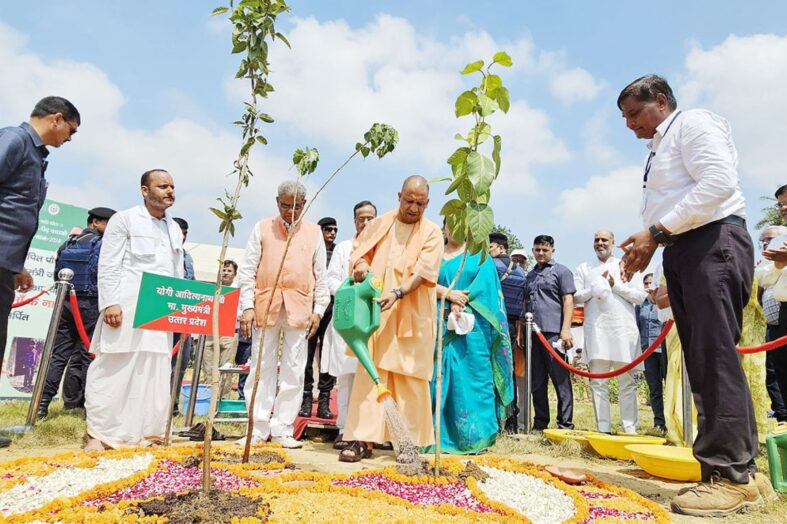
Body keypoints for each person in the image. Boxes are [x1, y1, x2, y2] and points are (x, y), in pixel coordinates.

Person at [617, 75, 765, 516]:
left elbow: (717, 182)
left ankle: (729, 477)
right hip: (685, 248)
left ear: (660, 102)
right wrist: (656, 243)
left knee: (713, 358)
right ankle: (742, 474)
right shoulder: (658, 148)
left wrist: (657, 232)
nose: (629, 125)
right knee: (707, 361)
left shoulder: (693, 124)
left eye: (634, 114)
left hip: (711, 242)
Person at [339, 175, 444, 462]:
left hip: (411, 312)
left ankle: (407, 445)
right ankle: (362, 440)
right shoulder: (379, 223)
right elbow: (359, 254)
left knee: (409, 378)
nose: (413, 207)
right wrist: (360, 266)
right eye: (409, 201)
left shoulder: (433, 232)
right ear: (399, 196)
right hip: (376, 312)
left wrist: (397, 293)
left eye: (420, 203)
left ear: (428, 203)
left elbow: (424, 274)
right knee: (371, 375)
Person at [0, 96, 80, 448]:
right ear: (57, 119)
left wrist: (17, 266)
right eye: (71, 130)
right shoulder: (14, 141)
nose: (70, 139)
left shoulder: (36, 155)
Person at [84, 169, 183, 450]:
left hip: (159, 310)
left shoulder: (173, 228)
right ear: (144, 190)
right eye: (162, 186)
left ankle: (148, 433)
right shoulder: (124, 219)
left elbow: (175, 273)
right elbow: (109, 263)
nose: (169, 191)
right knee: (115, 367)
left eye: (172, 186)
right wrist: (110, 303)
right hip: (125, 307)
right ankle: (100, 434)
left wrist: (177, 308)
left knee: (154, 369)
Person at [237, 180, 329, 449]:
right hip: (265, 307)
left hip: (300, 310)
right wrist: (247, 306)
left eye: (297, 207)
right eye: (286, 206)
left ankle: (283, 429)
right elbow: (247, 270)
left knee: (294, 370)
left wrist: (319, 311)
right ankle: (256, 427)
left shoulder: (314, 233)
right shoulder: (262, 227)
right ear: (277, 202)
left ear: (305, 204)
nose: (291, 212)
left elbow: (320, 277)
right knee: (260, 368)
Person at [428, 222, 514, 454]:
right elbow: (421, 283)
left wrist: (463, 302)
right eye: (450, 225)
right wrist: (447, 294)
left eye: (460, 225)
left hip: (472, 330)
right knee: (436, 379)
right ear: (443, 227)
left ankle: (475, 438)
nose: (454, 231)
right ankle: (434, 436)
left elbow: (486, 290)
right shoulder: (432, 254)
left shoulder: (479, 256)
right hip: (436, 326)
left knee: (474, 379)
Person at [36, 206, 116, 419]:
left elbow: (56, 275)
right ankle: (88, 408)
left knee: (59, 355)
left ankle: (42, 404)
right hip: (90, 304)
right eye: (108, 224)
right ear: (96, 222)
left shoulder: (69, 242)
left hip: (66, 303)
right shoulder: (101, 245)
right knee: (88, 356)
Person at [574, 230, 646, 435]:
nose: (599, 243)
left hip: (623, 331)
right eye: (596, 239)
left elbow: (640, 297)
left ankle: (630, 428)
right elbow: (576, 296)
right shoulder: (584, 268)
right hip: (596, 332)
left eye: (604, 239)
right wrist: (595, 289)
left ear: (613, 243)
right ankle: (603, 429)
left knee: (627, 383)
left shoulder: (627, 265)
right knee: (598, 382)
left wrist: (615, 286)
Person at [321, 201, 377, 449]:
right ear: (354, 220)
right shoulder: (344, 247)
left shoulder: (381, 247)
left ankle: (367, 432)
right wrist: (350, 290)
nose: (365, 223)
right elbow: (330, 279)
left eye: (370, 218)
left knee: (368, 377)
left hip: (372, 321)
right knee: (345, 376)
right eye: (361, 218)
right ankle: (344, 428)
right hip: (345, 318)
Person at [521, 234, 575, 430]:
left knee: (560, 380)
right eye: (537, 250)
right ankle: (540, 423)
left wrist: (565, 330)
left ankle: (565, 424)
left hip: (554, 334)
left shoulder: (562, 272)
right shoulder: (530, 275)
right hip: (533, 334)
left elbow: (568, 300)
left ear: (552, 250)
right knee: (537, 382)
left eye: (545, 250)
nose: (541, 253)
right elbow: (525, 302)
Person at [300, 216, 339, 420]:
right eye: (328, 229)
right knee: (306, 355)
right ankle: (306, 397)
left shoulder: (338, 252)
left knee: (328, 355)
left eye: (335, 230)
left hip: (332, 308)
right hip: (309, 307)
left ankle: (324, 400)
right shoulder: (310, 249)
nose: (332, 233)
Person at [489, 232, 527, 432]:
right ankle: (511, 419)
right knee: (508, 371)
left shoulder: (492, 266)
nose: (488, 251)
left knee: (489, 369)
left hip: (492, 323)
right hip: (512, 326)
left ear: (501, 248)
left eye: (491, 247)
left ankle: (494, 420)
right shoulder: (520, 272)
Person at [759, 185, 787, 434]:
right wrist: (779, 264)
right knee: (782, 373)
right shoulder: (781, 239)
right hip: (782, 314)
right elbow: (766, 278)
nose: (784, 208)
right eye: (780, 203)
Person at [202, 260, 239, 402]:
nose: (225, 273)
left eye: (229, 271)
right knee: (209, 369)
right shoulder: (212, 290)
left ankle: (222, 402)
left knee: (225, 370)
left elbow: (242, 313)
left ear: (234, 274)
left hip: (229, 334)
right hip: (210, 334)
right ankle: (207, 402)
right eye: (223, 270)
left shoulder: (238, 292)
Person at [636, 273, 667, 434]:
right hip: (647, 351)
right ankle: (659, 423)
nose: (648, 287)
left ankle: (673, 421)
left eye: (651, 283)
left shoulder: (662, 302)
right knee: (654, 389)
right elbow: (637, 327)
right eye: (646, 284)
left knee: (669, 386)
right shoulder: (640, 305)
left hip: (663, 348)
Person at [170, 217, 195, 416]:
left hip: (183, 320)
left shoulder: (187, 258)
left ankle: (173, 404)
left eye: (186, 233)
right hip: (161, 318)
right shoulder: (160, 254)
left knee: (181, 362)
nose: (183, 237)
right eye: (180, 232)